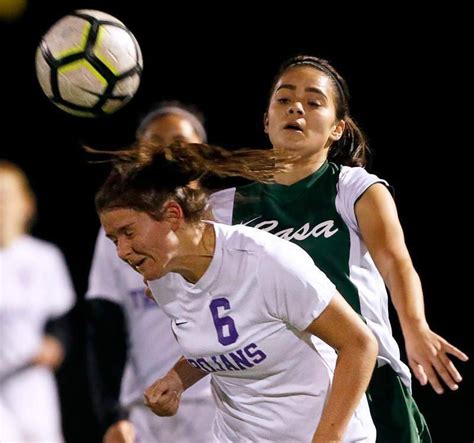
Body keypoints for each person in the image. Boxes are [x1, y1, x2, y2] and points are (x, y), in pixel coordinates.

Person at [210, 55, 469, 442]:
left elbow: (395, 261)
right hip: (276, 396)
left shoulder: (354, 188)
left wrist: (414, 326)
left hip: (367, 379)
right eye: (284, 100)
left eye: (314, 102)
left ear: (337, 129)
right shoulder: (225, 208)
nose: (296, 107)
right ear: (266, 120)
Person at [93, 142, 379, 443]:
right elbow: (221, 341)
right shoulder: (162, 278)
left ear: (173, 215)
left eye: (128, 232)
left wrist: (328, 438)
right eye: (113, 240)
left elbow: (359, 344)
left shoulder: (266, 263)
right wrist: (176, 380)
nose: (122, 251)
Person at [86, 101, 216, 443]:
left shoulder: (233, 219)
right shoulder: (119, 228)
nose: (165, 151)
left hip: (223, 403)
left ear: (201, 150)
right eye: (154, 141)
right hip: (145, 409)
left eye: (178, 139)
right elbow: (104, 330)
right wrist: (109, 416)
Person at [0, 160, 75, 442]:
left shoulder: (44, 258)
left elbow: (60, 320)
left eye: (6, 197)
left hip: (31, 381)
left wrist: (55, 343)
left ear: (26, 204)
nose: (1, 207)